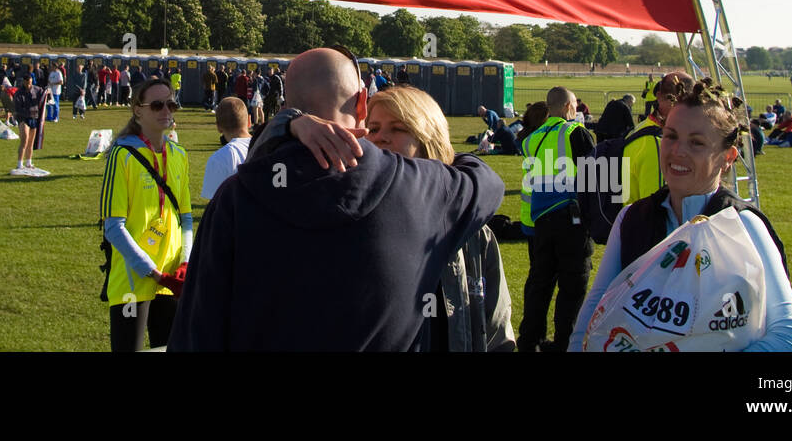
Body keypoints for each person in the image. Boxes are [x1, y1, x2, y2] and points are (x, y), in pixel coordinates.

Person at [169, 47, 503, 351]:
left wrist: (285, 125)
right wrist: (438, 151)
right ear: (362, 102)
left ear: (287, 105)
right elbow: (488, 183)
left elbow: (197, 330)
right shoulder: (418, 187)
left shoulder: (236, 197)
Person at [570, 79, 792, 351]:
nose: (677, 151)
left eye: (696, 143)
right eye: (670, 136)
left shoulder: (745, 225)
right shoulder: (631, 220)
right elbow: (594, 312)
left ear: (728, 157)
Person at [369, 86, 515, 351]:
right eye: (373, 128)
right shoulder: (358, 223)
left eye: (398, 129)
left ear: (429, 140)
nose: (381, 138)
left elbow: (497, 329)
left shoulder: (474, 233)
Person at [100, 78, 192, 351]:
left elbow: (185, 219)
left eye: (171, 104)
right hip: (134, 280)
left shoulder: (179, 154)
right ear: (138, 110)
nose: (166, 111)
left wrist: (184, 264)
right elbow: (113, 226)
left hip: (172, 280)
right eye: (157, 105)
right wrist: (151, 272)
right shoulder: (122, 155)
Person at [518, 86, 595, 352]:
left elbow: (531, 183)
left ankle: (530, 340)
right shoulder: (575, 132)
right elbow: (592, 177)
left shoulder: (531, 139)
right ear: (566, 107)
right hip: (571, 218)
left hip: (541, 219)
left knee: (540, 283)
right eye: (574, 105)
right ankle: (565, 342)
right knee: (573, 284)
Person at [623, 72, 693, 207]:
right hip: (641, 224)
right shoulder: (657, 143)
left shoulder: (644, 127)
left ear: (658, 95)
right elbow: (656, 208)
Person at [201, 97, 251, 201]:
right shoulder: (267, 147)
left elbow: (216, 205)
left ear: (218, 127)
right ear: (249, 121)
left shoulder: (219, 158)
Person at [10, 73, 49, 176]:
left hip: (34, 118)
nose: (29, 85)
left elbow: (45, 95)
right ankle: (19, 163)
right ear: (24, 82)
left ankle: (29, 162)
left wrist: (48, 93)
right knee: (24, 140)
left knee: (31, 142)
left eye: (30, 83)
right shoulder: (19, 93)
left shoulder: (37, 89)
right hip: (24, 118)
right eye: (27, 83)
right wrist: (28, 112)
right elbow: (18, 109)